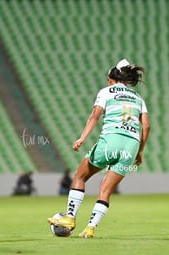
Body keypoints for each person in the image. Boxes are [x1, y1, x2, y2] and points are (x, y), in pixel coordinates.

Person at [48, 59, 150, 238]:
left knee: (80, 176)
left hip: (111, 140)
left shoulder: (106, 92)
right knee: (105, 190)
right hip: (131, 146)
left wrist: (82, 138)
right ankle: (90, 228)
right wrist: (140, 152)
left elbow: (95, 116)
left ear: (111, 79)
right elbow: (146, 126)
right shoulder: (137, 97)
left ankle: (70, 218)